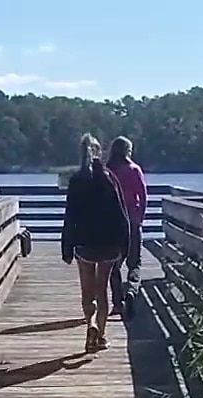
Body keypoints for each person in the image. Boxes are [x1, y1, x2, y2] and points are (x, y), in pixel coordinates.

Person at [61, 134, 131, 352]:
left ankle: (89, 325)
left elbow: (69, 216)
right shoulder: (109, 178)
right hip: (108, 244)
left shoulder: (76, 180)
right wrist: (125, 245)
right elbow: (122, 214)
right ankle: (100, 336)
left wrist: (67, 247)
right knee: (102, 291)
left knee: (87, 291)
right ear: (99, 152)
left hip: (84, 245)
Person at [106, 136, 146, 317]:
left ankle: (117, 302)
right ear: (128, 151)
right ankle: (131, 291)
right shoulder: (134, 170)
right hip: (132, 221)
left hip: (113, 224)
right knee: (134, 263)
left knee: (113, 264)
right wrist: (140, 218)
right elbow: (143, 197)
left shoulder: (108, 172)